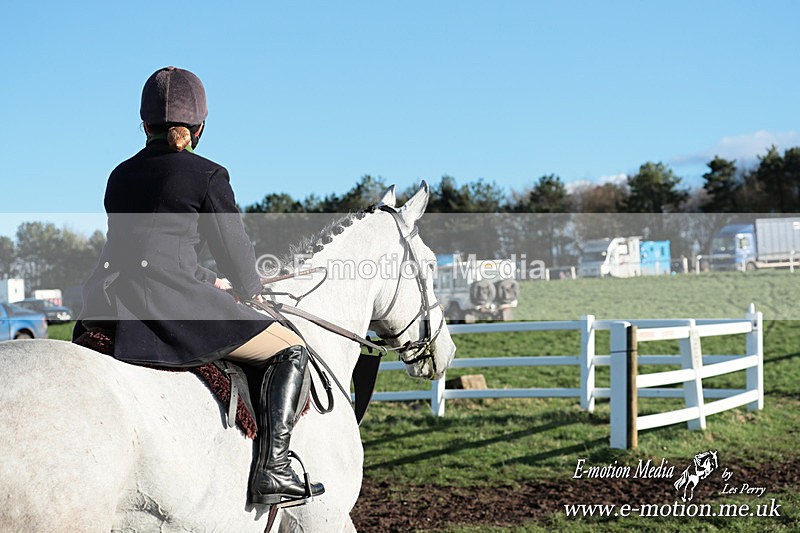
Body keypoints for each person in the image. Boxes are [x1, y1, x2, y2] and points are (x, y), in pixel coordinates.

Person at [73, 66, 324, 505]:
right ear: (200, 126)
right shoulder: (208, 174)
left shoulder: (119, 175)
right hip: (171, 306)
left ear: (144, 124)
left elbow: (150, 249)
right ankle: (274, 468)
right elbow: (233, 247)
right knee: (291, 349)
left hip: (111, 303)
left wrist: (211, 279)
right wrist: (248, 287)